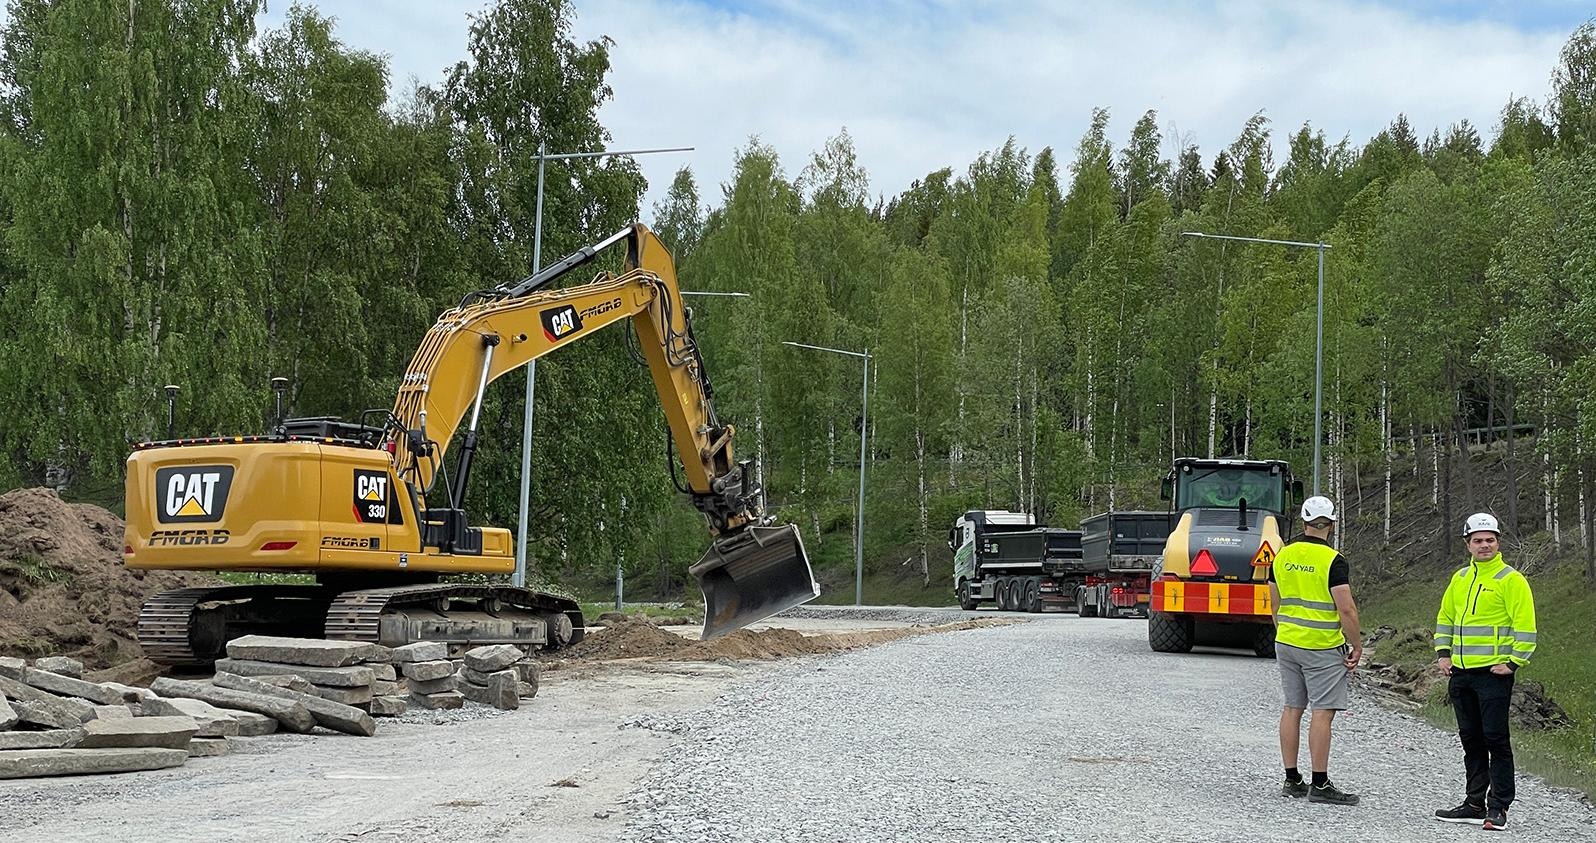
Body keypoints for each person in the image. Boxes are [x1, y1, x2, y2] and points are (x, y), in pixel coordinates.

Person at [1433, 513, 1537, 831]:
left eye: (1490, 540)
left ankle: (1498, 807)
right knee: (1471, 741)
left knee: (1496, 740)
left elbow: (1525, 625)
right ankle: (1474, 803)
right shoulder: (1460, 578)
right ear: (1468, 544)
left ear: (1498, 542)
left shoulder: (1511, 579)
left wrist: (1514, 662)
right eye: (1478, 540)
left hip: (1494, 675)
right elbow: (1446, 617)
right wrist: (1443, 653)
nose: (1484, 545)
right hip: (1461, 674)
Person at [1270, 494, 1361, 806]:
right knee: (1322, 711)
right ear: (1331, 524)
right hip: (1321, 645)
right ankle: (1320, 783)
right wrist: (1356, 644)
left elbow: (1274, 602)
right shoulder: (1333, 561)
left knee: (1292, 707)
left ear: (1304, 522)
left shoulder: (1282, 555)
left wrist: (1283, 631)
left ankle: (1292, 779)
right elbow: (1346, 609)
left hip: (1287, 641)